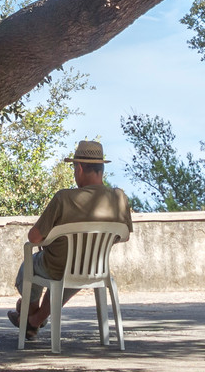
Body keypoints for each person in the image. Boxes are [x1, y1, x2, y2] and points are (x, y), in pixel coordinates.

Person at [11, 140, 132, 337]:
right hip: (95, 268)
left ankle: (30, 316)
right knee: (71, 271)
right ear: (101, 168)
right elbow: (123, 236)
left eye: (75, 168)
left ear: (80, 168)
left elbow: (34, 237)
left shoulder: (64, 198)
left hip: (56, 266)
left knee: (30, 265)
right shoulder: (120, 198)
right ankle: (33, 321)